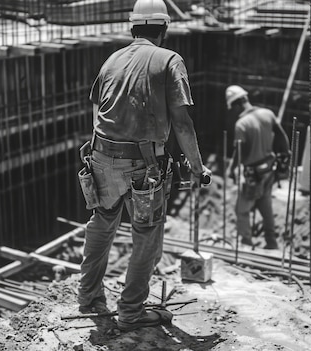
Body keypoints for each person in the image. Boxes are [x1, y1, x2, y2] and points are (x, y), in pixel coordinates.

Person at [77, 0, 210, 332]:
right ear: (164, 29)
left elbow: (97, 112)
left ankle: (88, 296)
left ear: (132, 27)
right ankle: (131, 312)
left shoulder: (112, 59)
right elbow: (182, 123)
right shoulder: (169, 60)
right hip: (144, 166)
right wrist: (197, 167)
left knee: (102, 222)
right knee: (147, 236)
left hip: (101, 156)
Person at [226, 85, 289, 249]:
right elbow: (282, 136)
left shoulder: (242, 124)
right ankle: (272, 243)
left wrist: (232, 169)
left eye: (232, 107)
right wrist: (286, 157)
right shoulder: (268, 114)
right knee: (265, 205)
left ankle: (246, 244)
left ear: (237, 104)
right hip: (269, 169)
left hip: (253, 175)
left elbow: (239, 151)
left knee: (242, 210)